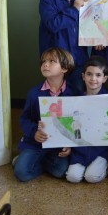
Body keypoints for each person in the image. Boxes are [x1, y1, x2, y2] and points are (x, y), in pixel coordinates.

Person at [14, 47, 75, 182]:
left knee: (61, 171)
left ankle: (33, 161)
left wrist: (70, 145)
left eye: (52, 61)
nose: (45, 64)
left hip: (57, 145)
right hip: (36, 143)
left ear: (64, 68)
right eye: (43, 62)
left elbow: (77, 122)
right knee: (21, 173)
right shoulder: (34, 93)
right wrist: (35, 131)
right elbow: (24, 118)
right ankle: (26, 160)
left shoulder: (73, 93)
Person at [65, 56, 108, 183]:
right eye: (89, 74)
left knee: (91, 177)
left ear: (104, 78)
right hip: (80, 150)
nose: (93, 79)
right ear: (83, 76)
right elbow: (71, 126)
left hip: (101, 149)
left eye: (98, 75)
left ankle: (105, 164)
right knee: (72, 177)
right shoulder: (76, 100)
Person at [38, 0, 89, 93]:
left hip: (79, 60)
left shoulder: (84, 1)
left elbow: (91, 29)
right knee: (56, 95)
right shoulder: (46, 1)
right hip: (55, 62)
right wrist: (74, 9)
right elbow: (53, 24)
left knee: (78, 93)